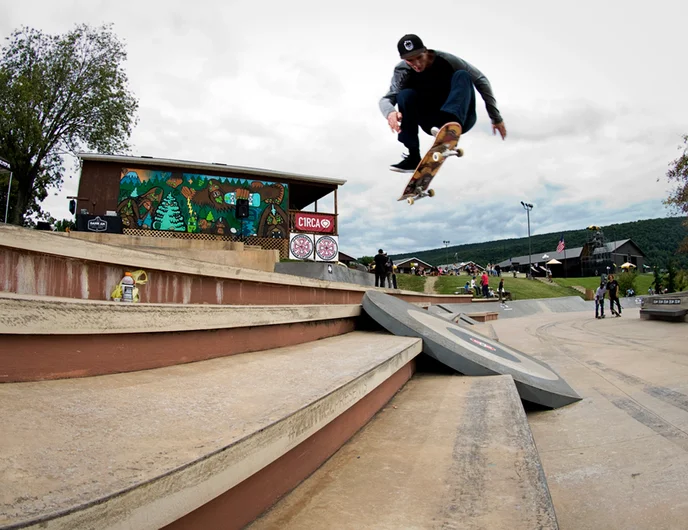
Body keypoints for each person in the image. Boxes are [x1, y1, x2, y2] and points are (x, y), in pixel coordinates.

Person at [380, 34, 507, 172]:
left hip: (461, 117)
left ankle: (450, 129)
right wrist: (390, 112)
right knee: (404, 95)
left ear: (425, 52)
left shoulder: (446, 60)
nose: (416, 64)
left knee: (462, 75)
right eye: (410, 60)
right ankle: (413, 157)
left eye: (419, 58)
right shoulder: (403, 71)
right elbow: (387, 98)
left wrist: (495, 117)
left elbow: (481, 80)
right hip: (431, 123)